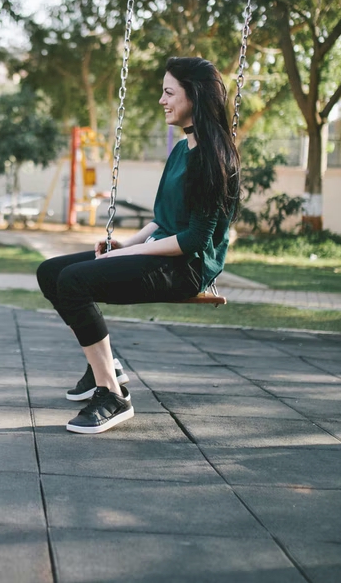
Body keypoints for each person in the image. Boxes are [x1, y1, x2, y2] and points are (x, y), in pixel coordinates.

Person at [36, 57, 239, 434]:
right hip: (162, 251)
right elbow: (163, 218)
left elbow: (194, 239)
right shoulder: (182, 149)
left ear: (194, 96)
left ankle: (112, 395)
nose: (162, 100)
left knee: (74, 282)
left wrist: (131, 252)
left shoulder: (213, 158)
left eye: (169, 92)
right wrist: (125, 242)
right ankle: (104, 366)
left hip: (187, 267)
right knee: (51, 272)